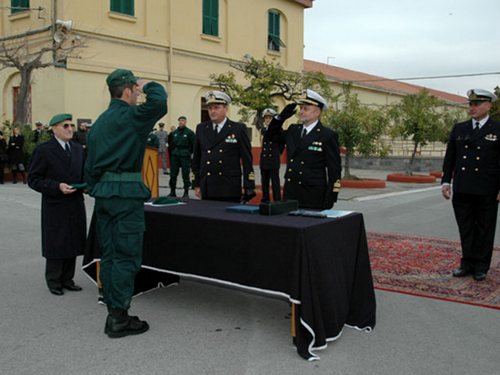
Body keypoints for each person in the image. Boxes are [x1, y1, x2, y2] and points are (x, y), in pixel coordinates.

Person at [85, 68, 168, 338]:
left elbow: (89, 168)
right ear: (129, 90)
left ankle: (114, 312)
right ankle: (119, 319)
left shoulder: (98, 123)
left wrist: (97, 188)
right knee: (125, 256)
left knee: (108, 255)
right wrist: (148, 84)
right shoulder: (132, 116)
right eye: (134, 89)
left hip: (104, 196)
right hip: (126, 196)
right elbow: (159, 102)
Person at [441, 88, 500, 282]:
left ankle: (481, 266)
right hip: (463, 187)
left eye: (477, 104)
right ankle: (467, 263)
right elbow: (450, 157)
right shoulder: (460, 128)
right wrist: (446, 181)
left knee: (484, 228)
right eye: (470, 104)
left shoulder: (497, 129)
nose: (472, 107)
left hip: (487, 188)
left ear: (488, 105)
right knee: (465, 227)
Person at [27, 113, 86, 296]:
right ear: (53, 129)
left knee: (74, 240)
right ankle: (54, 281)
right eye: (65, 126)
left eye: (71, 125)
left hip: (75, 202)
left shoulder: (77, 149)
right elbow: (34, 179)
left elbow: (82, 173)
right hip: (55, 203)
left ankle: (68, 279)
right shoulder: (44, 150)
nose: (70, 129)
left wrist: (85, 186)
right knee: (57, 241)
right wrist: (56, 186)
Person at [269, 89, 341, 209]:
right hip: (291, 192)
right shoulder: (293, 130)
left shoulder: (327, 135)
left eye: (305, 109)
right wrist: (280, 118)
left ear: (317, 112)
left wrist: (331, 196)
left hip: (313, 194)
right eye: (301, 108)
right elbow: (270, 136)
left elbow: (334, 169)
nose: (301, 112)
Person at [192, 90, 255, 202]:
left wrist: (249, 185)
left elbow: (247, 159)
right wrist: (196, 183)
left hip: (229, 186)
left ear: (225, 109)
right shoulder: (201, 128)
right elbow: (196, 158)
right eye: (210, 108)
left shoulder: (238, 128)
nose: (212, 111)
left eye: (216, 107)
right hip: (207, 186)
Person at [259, 108, 284, 202]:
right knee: (264, 182)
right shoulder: (263, 130)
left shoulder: (278, 130)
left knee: (275, 182)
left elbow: (282, 143)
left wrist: (277, 153)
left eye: (270, 118)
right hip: (264, 159)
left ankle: (277, 200)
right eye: (266, 118)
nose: (268, 120)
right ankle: (265, 200)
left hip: (273, 160)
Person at [168, 116, 195, 199]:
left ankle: (186, 192)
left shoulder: (189, 132)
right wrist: (172, 153)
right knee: (173, 174)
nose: (181, 122)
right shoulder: (174, 132)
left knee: (185, 174)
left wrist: (190, 153)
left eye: (183, 120)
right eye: (180, 121)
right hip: (175, 155)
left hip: (185, 155)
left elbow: (193, 144)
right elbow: (171, 144)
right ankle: (172, 192)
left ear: (185, 122)